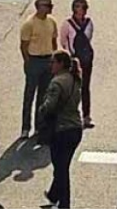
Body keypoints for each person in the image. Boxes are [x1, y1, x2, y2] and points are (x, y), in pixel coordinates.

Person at [39, 50, 84, 209]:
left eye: (53, 62)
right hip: (76, 128)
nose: (50, 65)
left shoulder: (57, 82)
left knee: (61, 169)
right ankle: (54, 195)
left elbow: (49, 106)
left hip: (61, 129)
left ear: (61, 64)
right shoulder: (75, 79)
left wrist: (42, 110)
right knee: (62, 166)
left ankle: (64, 204)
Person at [19, 0, 58, 138]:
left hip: (48, 60)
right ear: (39, 7)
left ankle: (39, 126)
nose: (50, 8)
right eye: (48, 5)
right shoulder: (29, 24)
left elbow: (54, 40)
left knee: (43, 96)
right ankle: (25, 128)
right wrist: (28, 62)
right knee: (29, 95)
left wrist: (54, 59)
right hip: (34, 60)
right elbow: (23, 46)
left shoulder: (52, 21)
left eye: (51, 5)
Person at [59, 0, 95, 128]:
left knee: (85, 87)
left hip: (86, 59)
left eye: (84, 7)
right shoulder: (67, 24)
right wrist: (70, 54)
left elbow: (89, 37)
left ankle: (86, 116)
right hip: (73, 59)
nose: (81, 10)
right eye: (78, 7)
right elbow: (63, 40)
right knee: (72, 88)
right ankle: (69, 117)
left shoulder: (89, 23)